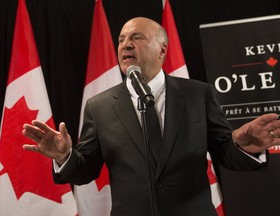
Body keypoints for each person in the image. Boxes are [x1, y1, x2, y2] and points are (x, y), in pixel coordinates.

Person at [22, 17, 280, 216]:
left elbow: (224, 151)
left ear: (162, 50)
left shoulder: (198, 95)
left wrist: (247, 147)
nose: (126, 44)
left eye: (137, 37)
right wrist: (65, 156)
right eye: (121, 39)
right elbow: (86, 170)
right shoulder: (99, 106)